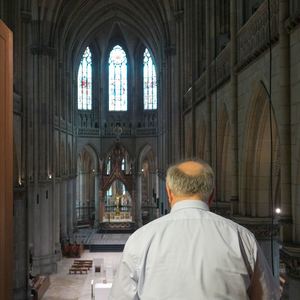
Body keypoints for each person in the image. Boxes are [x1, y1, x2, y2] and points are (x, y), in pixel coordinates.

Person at [109, 159, 280, 299]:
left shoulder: (140, 240)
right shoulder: (242, 238)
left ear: (169, 193)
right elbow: (268, 296)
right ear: (212, 195)